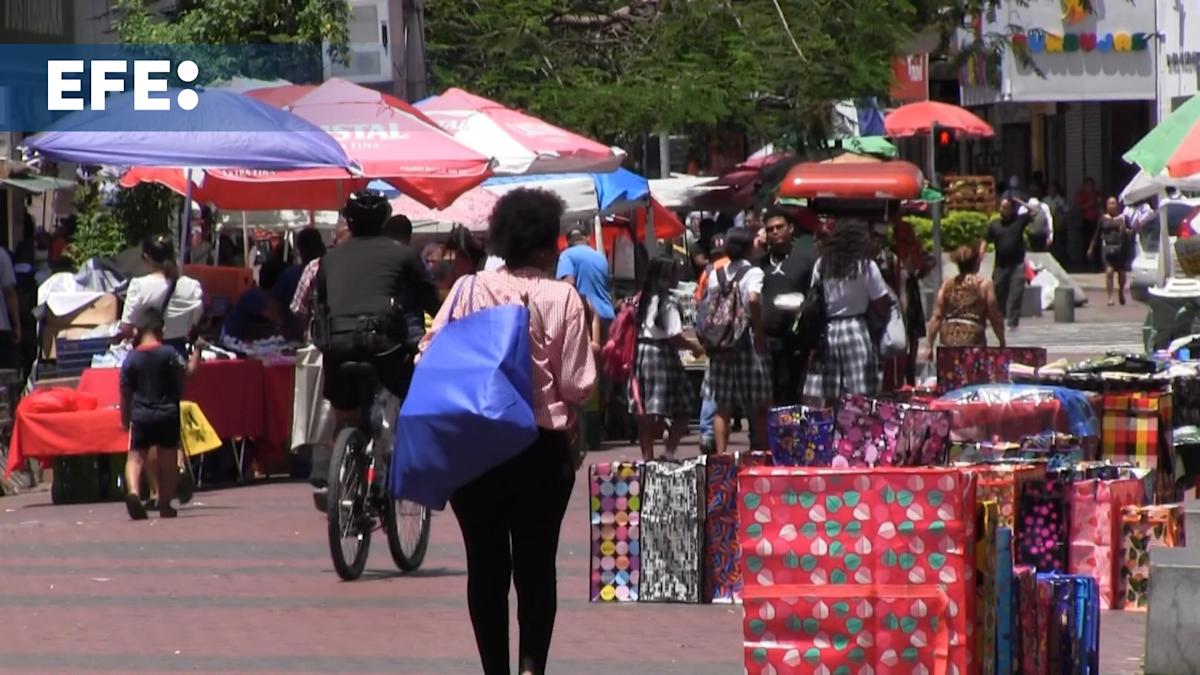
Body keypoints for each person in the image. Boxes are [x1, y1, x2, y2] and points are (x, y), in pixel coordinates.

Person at [423, 187, 595, 675]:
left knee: (485, 566)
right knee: (537, 567)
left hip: (476, 447)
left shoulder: (468, 289)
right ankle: (531, 669)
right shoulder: (562, 296)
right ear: (546, 243)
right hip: (541, 450)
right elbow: (578, 385)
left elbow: (429, 354)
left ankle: (494, 670)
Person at [310, 191, 439, 504]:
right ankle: (390, 460)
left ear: (349, 221)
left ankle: (342, 464)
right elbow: (428, 299)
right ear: (384, 220)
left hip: (337, 346)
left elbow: (322, 302)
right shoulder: (401, 254)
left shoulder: (329, 259)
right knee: (408, 396)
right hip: (384, 347)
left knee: (345, 411)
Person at [119, 307, 203, 520]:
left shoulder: (131, 359)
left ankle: (134, 492)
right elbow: (188, 372)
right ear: (159, 329)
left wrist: (125, 418)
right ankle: (165, 505)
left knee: (136, 457)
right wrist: (197, 351)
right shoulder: (168, 354)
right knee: (168, 461)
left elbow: (125, 392)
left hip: (141, 415)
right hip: (167, 413)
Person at [803, 220, 893, 406]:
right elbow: (881, 303)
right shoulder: (866, 266)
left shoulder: (822, 264)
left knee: (829, 392)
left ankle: (831, 430)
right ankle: (855, 432)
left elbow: (814, 295)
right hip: (857, 330)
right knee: (860, 395)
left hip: (828, 330)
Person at [702, 227, 771, 455]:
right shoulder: (753, 273)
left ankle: (722, 455)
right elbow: (753, 299)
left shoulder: (715, 273)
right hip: (745, 344)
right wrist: (758, 331)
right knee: (758, 403)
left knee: (723, 405)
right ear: (749, 247)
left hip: (721, 344)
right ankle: (761, 453)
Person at [629, 257, 703, 461]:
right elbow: (674, 335)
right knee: (685, 404)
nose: (677, 276)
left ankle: (648, 458)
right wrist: (695, 346)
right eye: (674, 272)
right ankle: (669, 452)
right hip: (661, 355)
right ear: (665, 276)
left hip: (640, 354)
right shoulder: (667, 301)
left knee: (645, 410)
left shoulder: (638, 299)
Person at [757, 207, 814, 405]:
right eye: (770, 229)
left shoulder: (806, 262)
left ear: (790, 229)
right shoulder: (758, 265)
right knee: (766, 395)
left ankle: (792, 434)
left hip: (795, 341)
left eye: (779, 227)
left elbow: (814, 297)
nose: (774, 232)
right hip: (766, 341)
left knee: (791, 394)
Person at [118, 236, 205, 356]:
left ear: (147, 258)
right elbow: (196, 321)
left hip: (148, 353)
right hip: (178, 352)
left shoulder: (139, 286)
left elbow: (126, 329)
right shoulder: (193, 286)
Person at [925, 241, 1006, 356]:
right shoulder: (984, 285)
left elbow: (937, 316)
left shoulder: (947, 284)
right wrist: (1001, 340)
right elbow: (994, 316)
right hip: (973, 338)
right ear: (976, 263)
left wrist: (929, 345)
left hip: (948, 338)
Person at [985, 198, 1030, 330]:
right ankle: (997, 318)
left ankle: (1013, 323)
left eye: (1005, 207)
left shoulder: (1019, 221)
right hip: (1001, 265)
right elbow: (985, 240)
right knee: (997, 292)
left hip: (1017, 265)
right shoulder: (995, 225)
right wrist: (980, 254)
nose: (1002, 210)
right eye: (1001, 207)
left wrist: (1018, 200)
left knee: (1016, 293)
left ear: (1011, 209)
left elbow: (1035, 211)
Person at [556, 227, 615, 324]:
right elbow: (610, 286)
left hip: (587, 317)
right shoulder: (601, 257)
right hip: (607, 313)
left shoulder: (566, 255)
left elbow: (568, 283)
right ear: (587, 238)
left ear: (568, 242)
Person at [1089, 196, 1130, 306]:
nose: (1112, 206)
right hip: (1107, 248)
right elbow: (1097, 234)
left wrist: (1125, 230)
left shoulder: (1123, 218)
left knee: (1121, 274)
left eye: (1114, 203)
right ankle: (1110, 297)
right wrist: (1091, 248)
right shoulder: (1103, 218)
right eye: (1109, 204)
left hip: (1120, 248)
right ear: (1106, 206)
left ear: (1117, 206)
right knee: (1109, 272)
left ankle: (1121, 291)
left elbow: (1130, 232)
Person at [1075, 177, 1101, 266]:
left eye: (1092, 185)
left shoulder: (1097, 194)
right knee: (1086, 241)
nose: (1090, 187)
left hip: (1097, 220)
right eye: (1088, 185)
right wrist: (1090, 204)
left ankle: (1097, 262)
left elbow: (1101, 205)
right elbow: (1078, 207)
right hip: (1086, 220)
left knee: (1097, 241)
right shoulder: (1081, 194)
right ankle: (1086, 263)